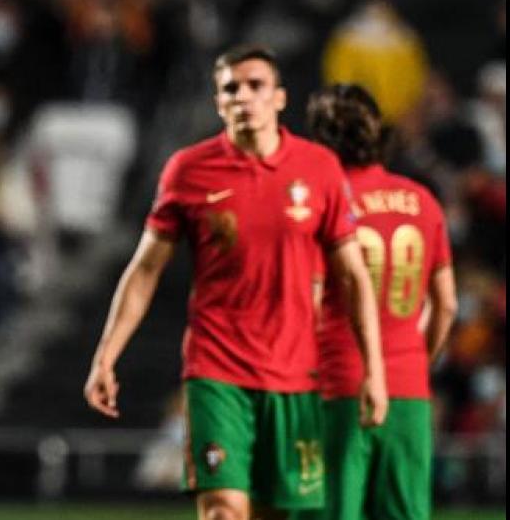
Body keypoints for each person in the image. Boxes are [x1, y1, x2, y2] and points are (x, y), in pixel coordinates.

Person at [82, 45, 389, 520]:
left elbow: (352, 277)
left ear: (280, 97)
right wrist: (107, 354)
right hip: (216, 372)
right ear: (218, 103)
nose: (244, 96)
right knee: (223, 510)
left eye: (255, 85)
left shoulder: (319, 169)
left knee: (273, 512)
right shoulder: (189, 170)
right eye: (231, 88)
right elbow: (145, 270)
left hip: (294, 376)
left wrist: (375, 370)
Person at [305, 84, 457, 520]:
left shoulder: (322, 203)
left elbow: (309, 299)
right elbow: (445, 304)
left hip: (337, 385)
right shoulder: (422, 202)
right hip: (408, 388)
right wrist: (416, 361)